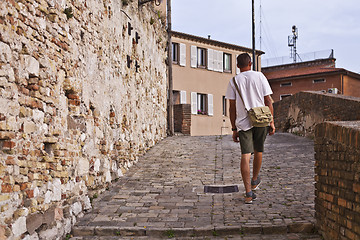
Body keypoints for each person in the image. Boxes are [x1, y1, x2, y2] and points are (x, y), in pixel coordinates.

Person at [225, 53, 275, 204]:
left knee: (245, 155)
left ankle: (248, 193)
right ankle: (254, 180)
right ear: (251, 63)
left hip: (243, 122)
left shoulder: (233, 81)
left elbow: (232, 107)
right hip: (261, 119)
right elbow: (268, 100)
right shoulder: (260, 76)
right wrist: (271, 122)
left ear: (238, 66)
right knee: (259, 150)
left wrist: (234, 128)